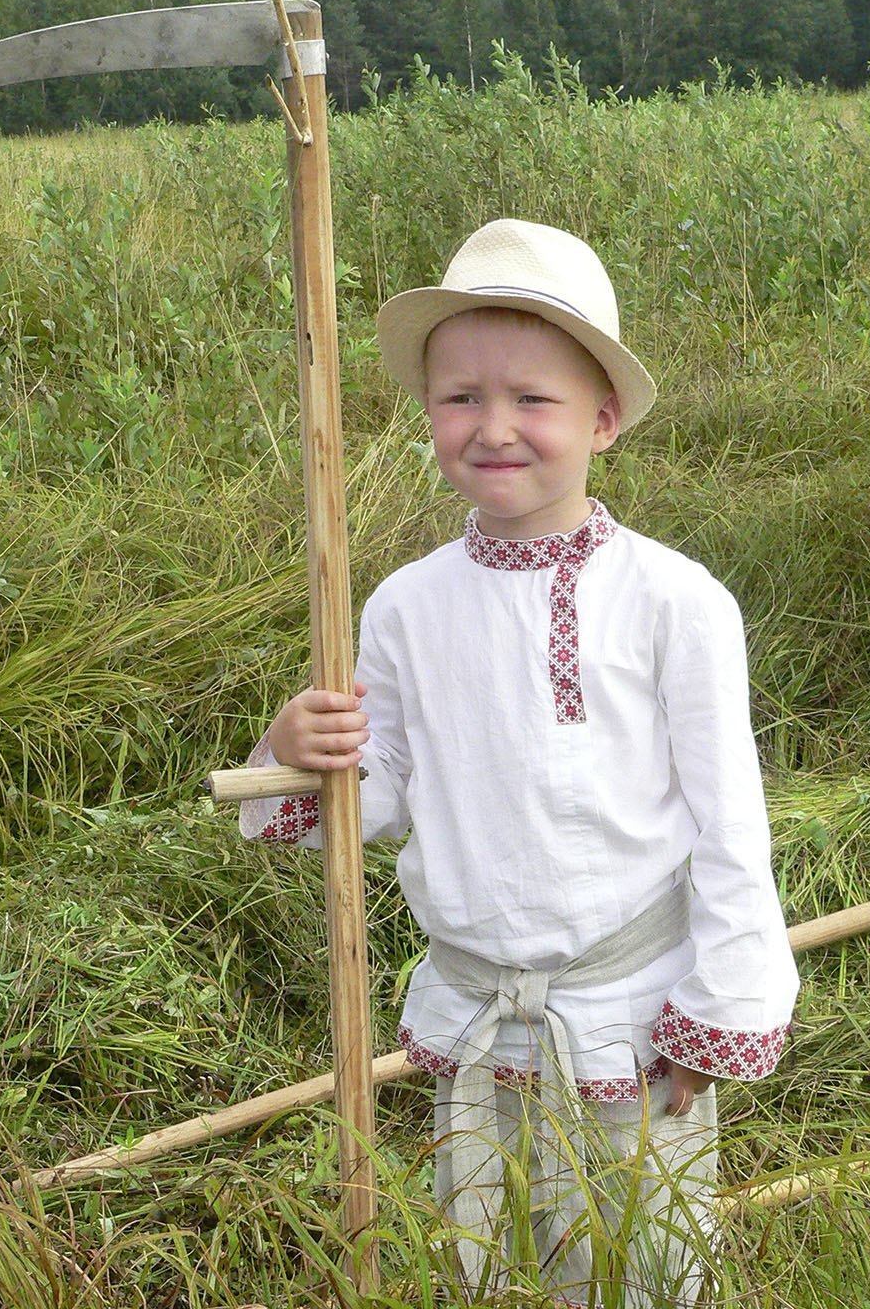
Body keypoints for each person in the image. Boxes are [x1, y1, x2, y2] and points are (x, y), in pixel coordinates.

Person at [239, 219, 799, 1304]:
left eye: (532, 399)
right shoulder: (404, 601)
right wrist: (299, 749)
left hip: (630, 1017)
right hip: (476, 1007)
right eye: (460, 398)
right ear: (429, 413)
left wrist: (715, 1011)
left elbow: (733, 828)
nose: (493, 427)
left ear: (603, 418)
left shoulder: (677, 602)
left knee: (644, 1262)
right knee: (489, 1261)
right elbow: (384, 790)